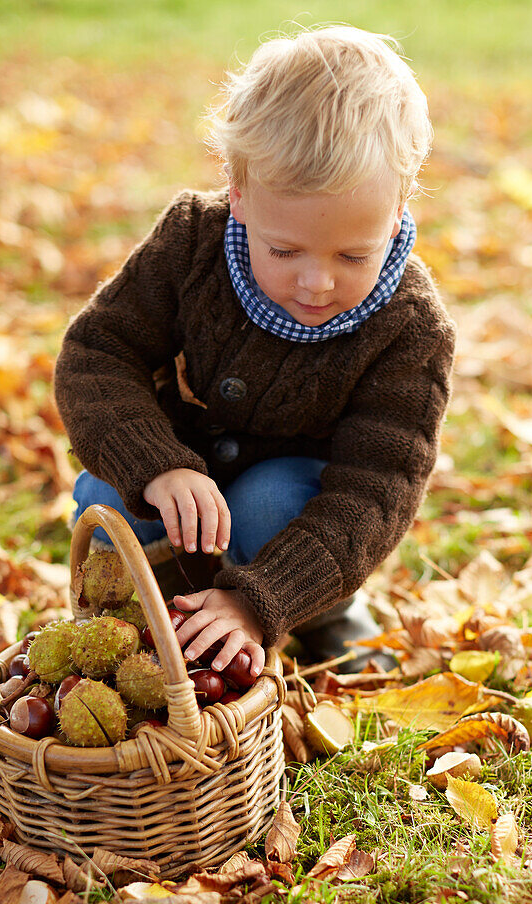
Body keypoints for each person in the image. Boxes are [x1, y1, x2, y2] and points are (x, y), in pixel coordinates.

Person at [54, 25, 456, 680]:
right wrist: (158, 465)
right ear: (238, 194)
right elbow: (100, 350)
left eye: (353, 255)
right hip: (183, 478)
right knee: (107, 485)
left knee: (270, 499)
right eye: (284, 251)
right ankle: (129, 634)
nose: (316, 282)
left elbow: (377, 488)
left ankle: (318, 618)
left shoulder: (409, 328)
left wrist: (257, 600)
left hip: (297, 519)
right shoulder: (192, 241)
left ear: (396, 212)